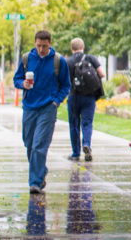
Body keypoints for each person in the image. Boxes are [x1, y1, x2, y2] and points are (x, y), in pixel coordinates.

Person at [14, 30, 71, 194]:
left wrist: (56, 102)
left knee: (39, 145)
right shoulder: (27, 59)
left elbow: (66, 85)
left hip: (47, 108)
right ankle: (41, 170)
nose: (41, 49)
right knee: (29, 143)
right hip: (29, 107)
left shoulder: (58, 61)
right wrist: (22, 84)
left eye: (44, 46)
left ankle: (35, 183)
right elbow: (17, 78)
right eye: (38, 46)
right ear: (34, 43)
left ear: (50, 44)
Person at [66, 37, 105, 162]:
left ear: (72, 48)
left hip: (74, 96)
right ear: (83, 47)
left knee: (74, 125)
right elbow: (102, 74)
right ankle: (87, 144)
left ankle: (76, 153)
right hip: (89, 97)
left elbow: (64, 80)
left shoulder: (68, 61)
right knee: (87, 123)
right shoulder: (90, 58)